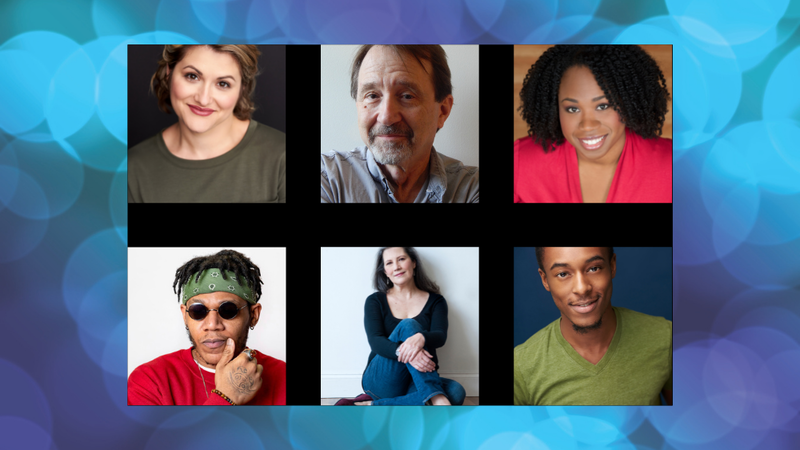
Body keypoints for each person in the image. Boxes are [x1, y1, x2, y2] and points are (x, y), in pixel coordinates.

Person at [514, 247, 672, 405]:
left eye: (593, 268)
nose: (582, 288)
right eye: (563, 274)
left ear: (612, 266)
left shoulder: (666, 337)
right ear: (545, 280)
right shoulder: (520, 366)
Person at [321, 45, 479, 203]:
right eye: (372, 95)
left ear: (442, 111)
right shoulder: (328, 179)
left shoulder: (470, 189)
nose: (386, 117)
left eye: (407, 96)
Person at [128, 45, 285, 203]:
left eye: (223, 84)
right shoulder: (132, 169)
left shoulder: (281, 157)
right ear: (169, 73)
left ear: (241, 89)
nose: (203, 99)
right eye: (192, 76)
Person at [514, 45, 672, 203]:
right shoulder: (521, 162)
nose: (587, 125)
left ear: (629, 104)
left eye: (603, 106)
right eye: (572, 109)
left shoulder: (673, 165)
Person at [127, 249, 286, 405]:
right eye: (198, 311)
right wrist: (225, 397)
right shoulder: (150, 380)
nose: (212, 325)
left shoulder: (282, 377)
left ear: (254, 315)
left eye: (228, 310)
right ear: (185, 316)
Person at [337, 247, 466, 405]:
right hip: (382, 379)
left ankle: (370, 405)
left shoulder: (436, 301)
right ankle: (435, 399)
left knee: (456, 391)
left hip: (416, 379)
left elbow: (440, 336)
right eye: (389, 263)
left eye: (401, 259)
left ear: (413, 263)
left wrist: (421, 337)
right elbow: (375, 340)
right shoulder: (375, 300)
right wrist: (406, 352)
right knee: (408, 324)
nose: (396, 266)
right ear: (385, 271)